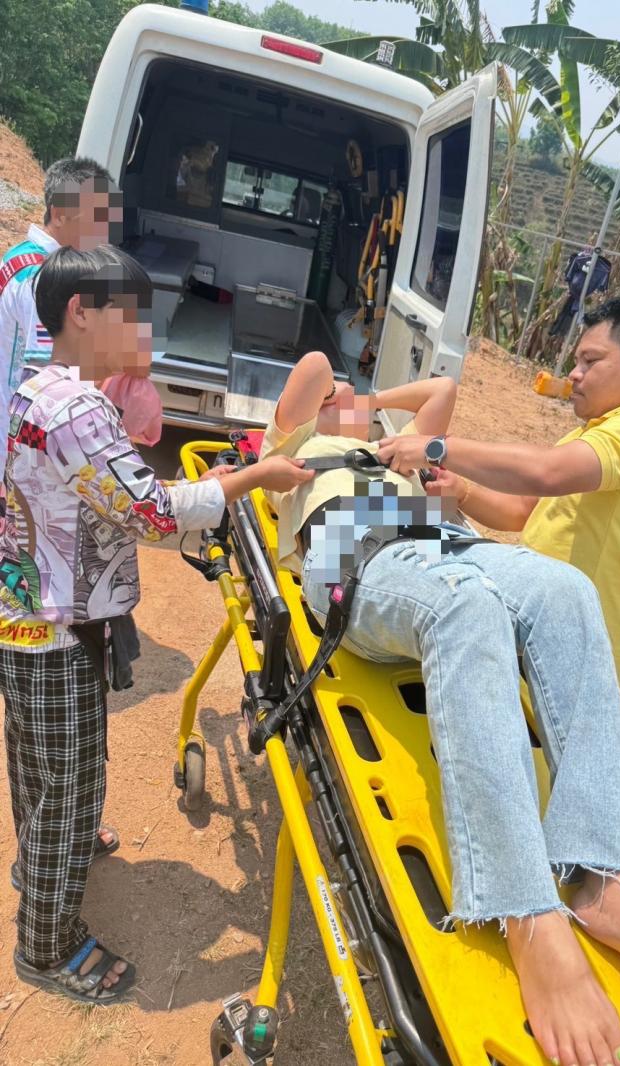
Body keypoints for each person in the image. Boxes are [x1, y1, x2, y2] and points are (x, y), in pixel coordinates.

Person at [253, 351, 620, 1066]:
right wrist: (346, 404)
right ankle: (528, 915)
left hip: (447, 545)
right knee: (469, 608)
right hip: (357, 561)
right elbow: (317, 366)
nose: (349, 398)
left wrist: (376, 415)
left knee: (566, 591)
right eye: (339, 398)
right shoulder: (295, 443)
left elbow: (442, 387)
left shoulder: (393, 448)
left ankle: (609, 876)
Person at [0, 245, 312, 1004]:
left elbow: (106, 491)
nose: (146, 329)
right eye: (132, 314)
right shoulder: (78, 412)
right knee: (71, 781)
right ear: (82, 313)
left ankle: (44, 858)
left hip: (28, 612)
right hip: (58, 626)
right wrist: (253, 478)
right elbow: (149, 513)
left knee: (38, 766)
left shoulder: (38, 389)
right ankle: (46, 946)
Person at [377, 294, 620, 685]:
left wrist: (436, 447)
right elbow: (525, 511)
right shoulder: (592, 434)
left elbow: (545, 473)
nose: (574, 374)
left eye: (590, 361)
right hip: (537, 622)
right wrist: (463, 494)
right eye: (576, 362)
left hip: (573, 644)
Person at [0, 157, 139, 875]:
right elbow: (51, 405)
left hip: (24, 496)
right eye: (99, 214)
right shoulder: (41, 281)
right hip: (40, 512)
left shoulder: (21, 266)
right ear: (64, 211)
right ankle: (56, 849)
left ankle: (48, 840)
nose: (107, 227)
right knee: (57, 729)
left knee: (32, 728)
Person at [0, 156, 122, 443]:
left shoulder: (20, 254)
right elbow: (47, 379)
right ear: (58, 215)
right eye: (96, 218)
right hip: (19, 441)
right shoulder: (43, 278)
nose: (104, 233)